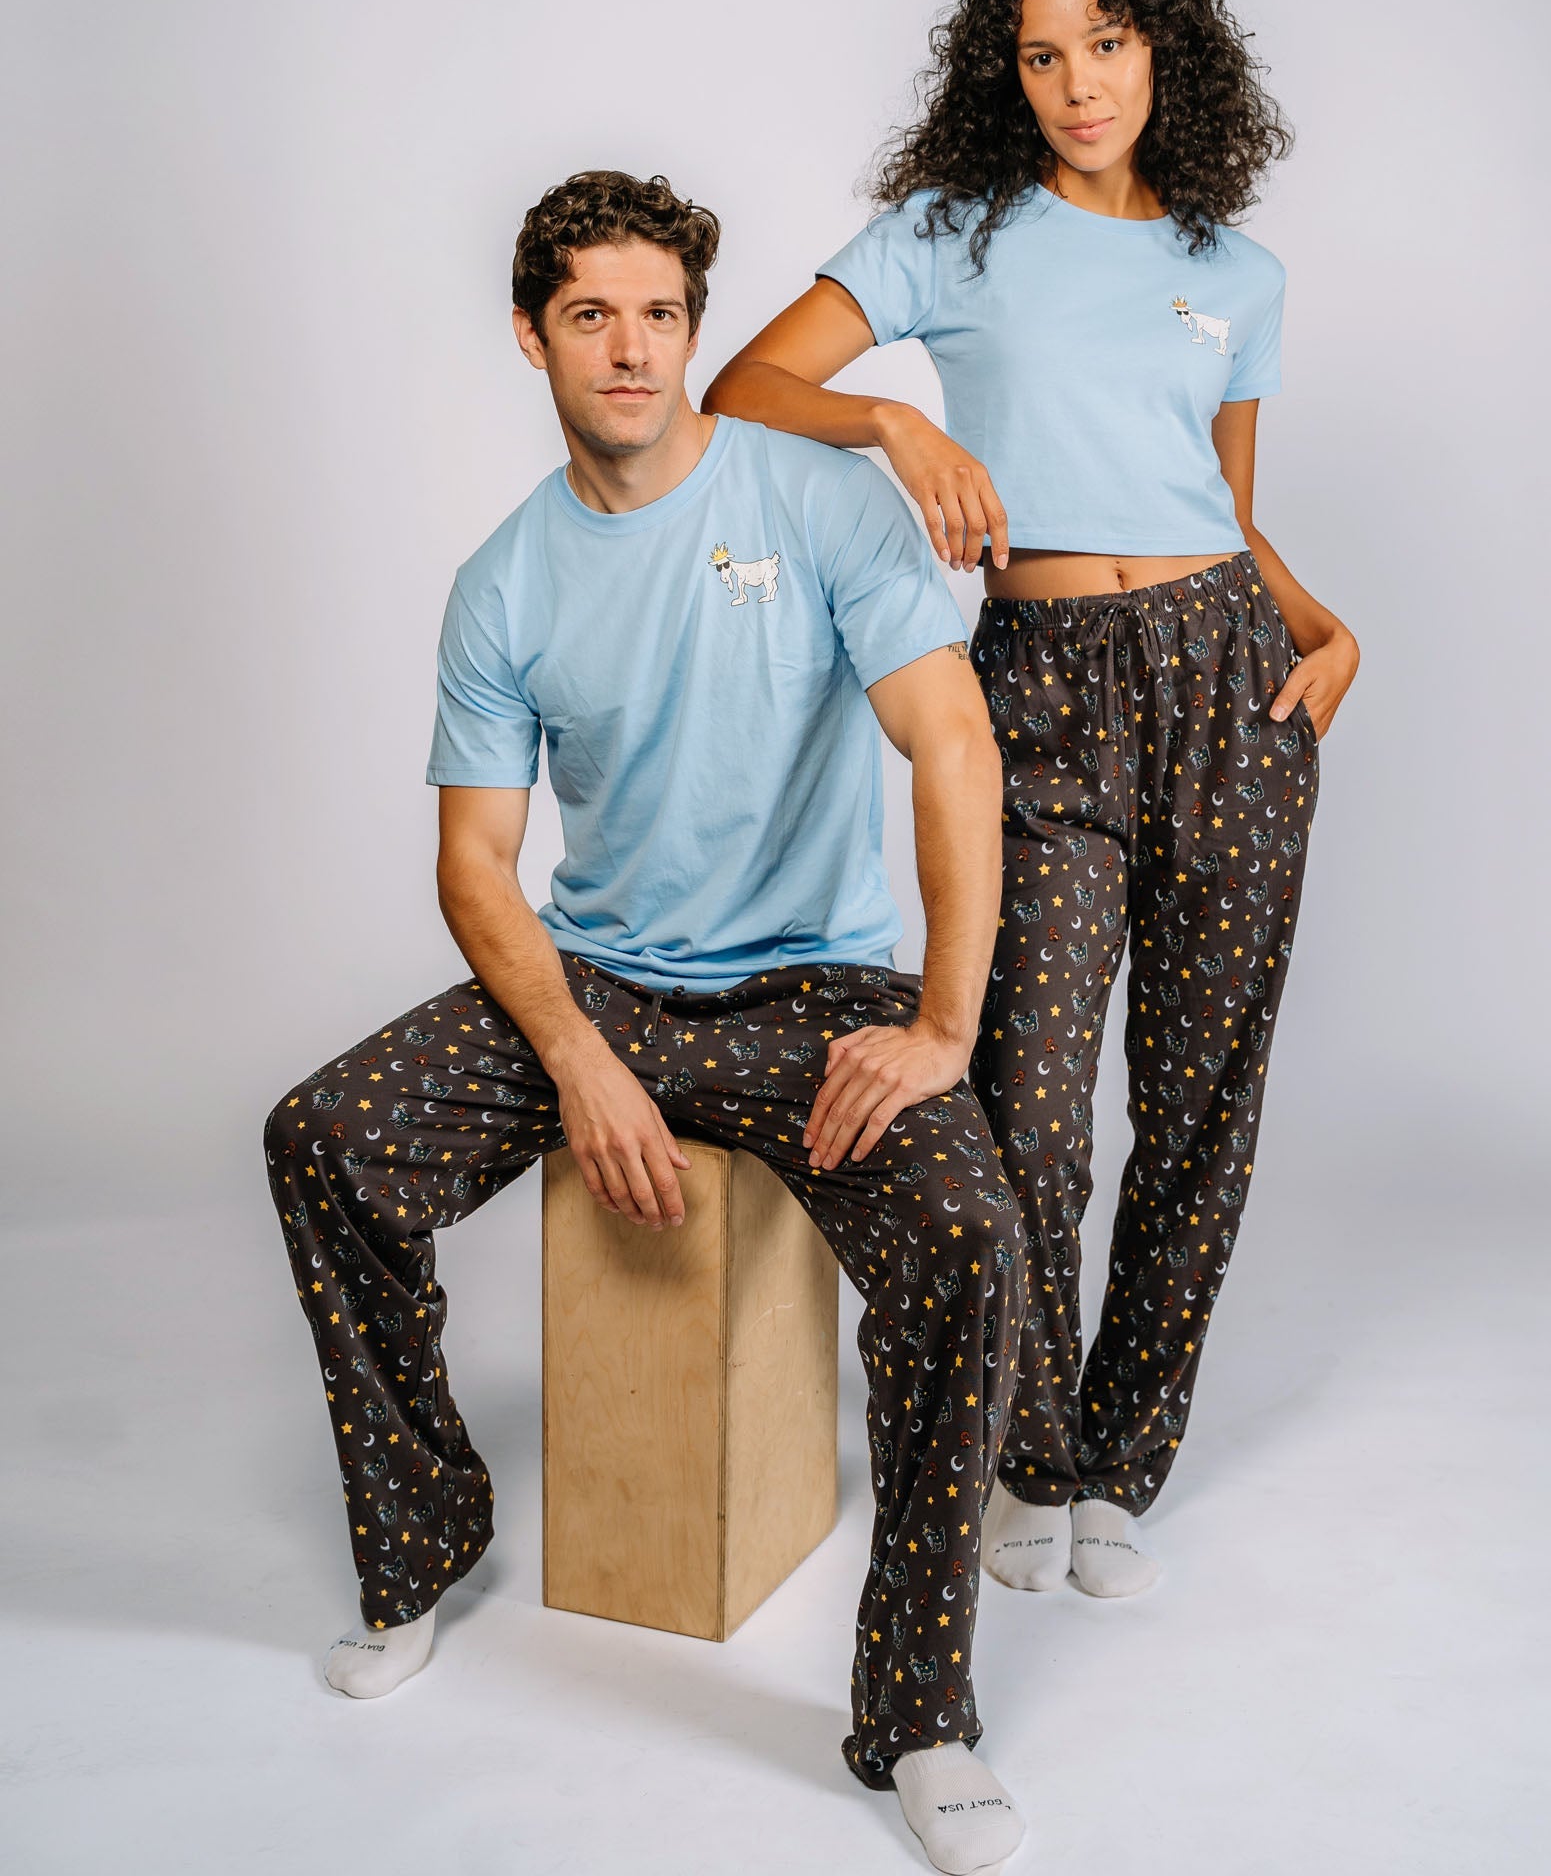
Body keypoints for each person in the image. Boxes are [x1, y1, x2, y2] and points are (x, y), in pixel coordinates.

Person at [263, 168, 1031, 1876]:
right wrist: (578, 1054)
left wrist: (946, 1024)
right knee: (323, 1138)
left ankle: (917, 1714)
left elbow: (954, 747)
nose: (632, 348)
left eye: (663, 313)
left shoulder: (820, 503)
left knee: (969, 1241)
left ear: (695, 327)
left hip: (814, 986)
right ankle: (422, 1543)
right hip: (605, 984)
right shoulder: (503, 579)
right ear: (531, 334)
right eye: (593, 315)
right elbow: (476, 866)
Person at [704, 0, 1359, 1602]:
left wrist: (1319, 623)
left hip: (1231, 683)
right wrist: (899, 419)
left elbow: (1216, 506)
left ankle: (1129, 1457)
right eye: (1044, 52)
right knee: (1031, 1106)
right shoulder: (953, 230)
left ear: (1170, 56)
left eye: (1110, 44)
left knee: (1203, 1102)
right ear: (1009, 75)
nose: (1079, 83)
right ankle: (1030, 1445)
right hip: (1042, 688)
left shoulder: (1237, 274)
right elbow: (746, 383)